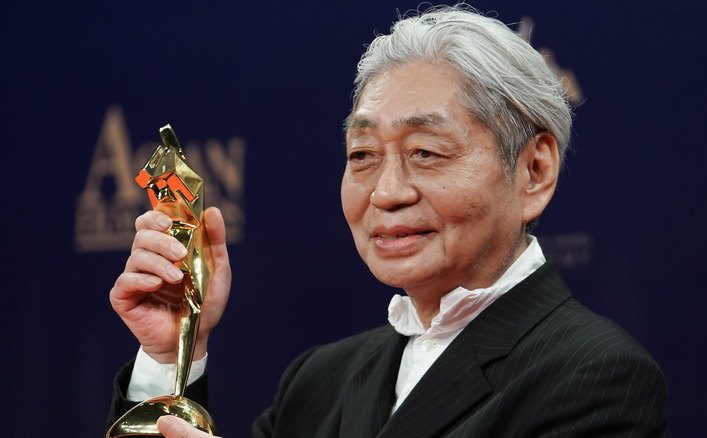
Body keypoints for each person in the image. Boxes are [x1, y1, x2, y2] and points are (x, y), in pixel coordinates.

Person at [107, 5, 669, 437]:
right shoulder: (317, 381)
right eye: (362, 155)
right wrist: (171, 356)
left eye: (426, 151)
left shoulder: (595, 376)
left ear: (534, 170)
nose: (387, 191)